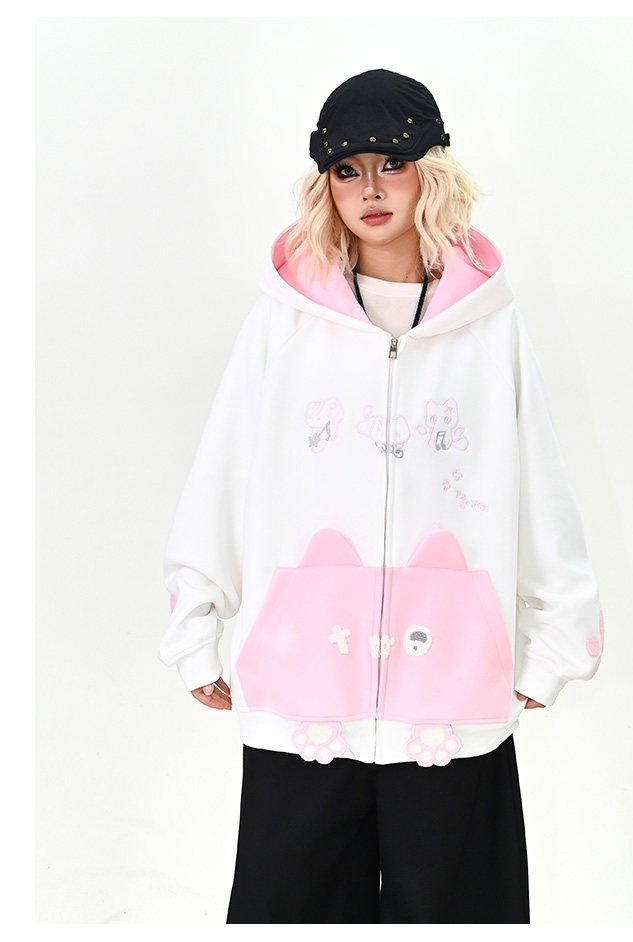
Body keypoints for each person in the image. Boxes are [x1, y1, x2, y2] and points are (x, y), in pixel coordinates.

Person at [158, 68, 604, 924]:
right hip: (304, 689)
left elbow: (538, 479)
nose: (370, 189)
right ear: (324, 184)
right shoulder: (286, 319)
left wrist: (554, 643)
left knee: (456, 912)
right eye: (347, 168)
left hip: (450, 697)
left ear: (430, 171)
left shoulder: (487, 322)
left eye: (391, 164)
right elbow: (224, 467)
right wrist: (195, 624)